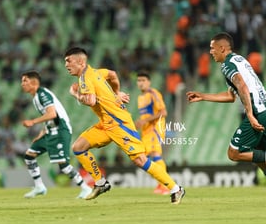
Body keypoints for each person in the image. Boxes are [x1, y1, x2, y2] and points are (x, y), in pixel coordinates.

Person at [64, 47, 185, 204]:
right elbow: (113, 75)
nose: (66, 65)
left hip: (119, 123)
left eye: (68, 61)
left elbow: (91, 101)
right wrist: (116, 93)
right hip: (106, 124)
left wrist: (75, 94)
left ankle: (176, 188)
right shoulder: (96, 72)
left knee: (140, 160)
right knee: (78, 147)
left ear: (80, 61)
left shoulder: (86, 78)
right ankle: (100, 183)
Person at [186, 32, 266, 203]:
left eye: (212, 48)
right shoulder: (239, 60)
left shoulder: (227, 66)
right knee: (259, 157)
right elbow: (231, 96)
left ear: (222, 48)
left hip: (259, 112)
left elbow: (242, 87)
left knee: (234, 153)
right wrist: (203, 96)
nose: (210, 52)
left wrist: (249, 115)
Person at [20, 70, 92, 199]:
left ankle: (85, 188)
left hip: (60, 130)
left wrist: (33, 122)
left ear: (34, 82)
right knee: (29, 156)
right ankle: (39, 186)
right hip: (49, 131)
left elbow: (52, 114)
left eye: (25, 80)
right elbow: (48, 116)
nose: (22, 84)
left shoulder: (42, 94)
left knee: (63, 165)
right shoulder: (36, 97)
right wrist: (41, 133)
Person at [135, 72, 170, 195]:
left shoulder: (153, 93)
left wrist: (145, 120)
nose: (141, 83)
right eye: (139, 80)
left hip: (155, 129)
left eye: (143, 80)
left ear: (149, 82)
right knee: (146, 158)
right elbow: (145, 115)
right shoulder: (140, 98)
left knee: (155, 155)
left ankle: (165, 186)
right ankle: (161, 184)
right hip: (145, 131)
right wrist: (140, 122)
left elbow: (163, 112)